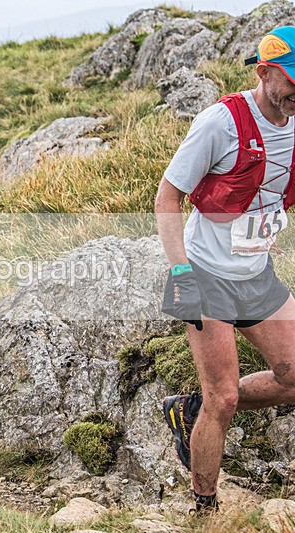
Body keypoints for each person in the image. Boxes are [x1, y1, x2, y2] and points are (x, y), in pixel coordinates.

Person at [156, 26, 295, 513]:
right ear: (265, 72)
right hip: (206, 273)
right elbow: (167, 197)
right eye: (292, 81)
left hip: (256, 273)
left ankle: (189, 410)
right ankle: (206, 509)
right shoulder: (221, 122)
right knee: (225, 398)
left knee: (294, 372)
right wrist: (180, 274)